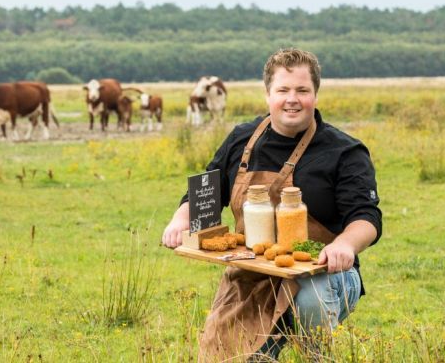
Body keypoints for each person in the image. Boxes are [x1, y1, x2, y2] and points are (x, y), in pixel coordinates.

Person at [162, 48, 382, 361]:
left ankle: (314, 354)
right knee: (233, 353)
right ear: (268, 94)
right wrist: (181, 220)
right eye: (283, 90)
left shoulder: (344, 151)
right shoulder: (242, 138)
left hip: (323, 275)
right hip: (254, 272)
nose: (292, 99)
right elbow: (208, 191)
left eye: (302, 90)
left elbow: (366, 217)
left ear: (315, 95)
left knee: (308, 301)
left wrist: (345, 245)